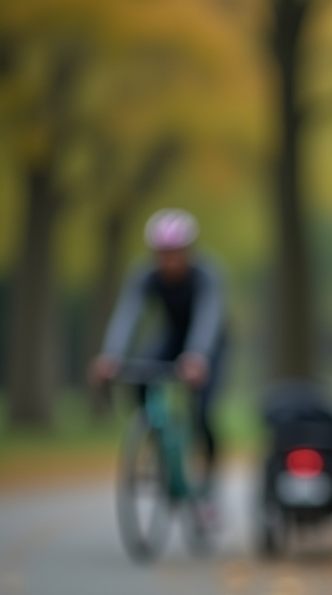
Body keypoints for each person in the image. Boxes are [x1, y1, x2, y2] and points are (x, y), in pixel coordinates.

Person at [89, 208, 228, 501]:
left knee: (202, 411)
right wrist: (111, 355)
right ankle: (158, 436)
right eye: (162, 253)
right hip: (172, 336)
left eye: (176, 252)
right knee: (140, 373)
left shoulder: (206, 275)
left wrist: (197, 355)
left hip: (209, 344)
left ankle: (208, 482)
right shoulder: (145, 276)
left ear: (189, 251)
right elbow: (128, 315)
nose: (169, 260)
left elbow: (208, 317)